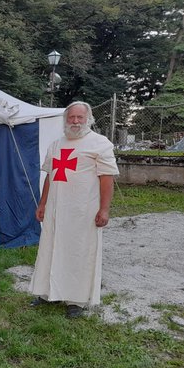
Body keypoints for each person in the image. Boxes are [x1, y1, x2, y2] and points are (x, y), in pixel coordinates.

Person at [29, 101, 119, 318]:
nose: (75, 122)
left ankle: (75, 300)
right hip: (55, 208)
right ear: (65, 119)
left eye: (80, 117)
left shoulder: (99, 143)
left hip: (82, 210)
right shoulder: (57, 144)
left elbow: (107, 179)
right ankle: (47, 291)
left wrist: (104, 209)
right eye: (71, 117)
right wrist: (42, 204)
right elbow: (51, 176)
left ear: (88, 119)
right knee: (51, 247)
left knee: (78, 252)